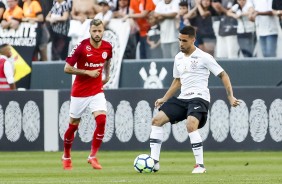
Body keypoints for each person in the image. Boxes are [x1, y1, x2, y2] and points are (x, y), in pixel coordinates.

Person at [149, 26, 240, 174]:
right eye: (179, 40)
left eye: (184, 41)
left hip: (199, 98)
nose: (181, 44)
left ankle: (200, 166)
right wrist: (164, 98)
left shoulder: (204, 57)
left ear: (193, 40)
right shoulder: (178, 58)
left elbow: (223, 75)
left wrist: (230, 96)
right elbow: (177, 81)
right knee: (156, 120)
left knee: (191, 124)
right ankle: (154, 162)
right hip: (183, 98)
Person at [62, 19, 112, 170]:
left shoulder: (107, 47)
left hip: (96, 90)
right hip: (80, 92)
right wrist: (87, 72)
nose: (97, 34)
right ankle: (66, 155)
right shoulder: (82, 46)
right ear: (90, 31)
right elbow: (67, 68)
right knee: (73, 126)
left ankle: (93, 156)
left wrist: (107, 75)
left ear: (103, 31)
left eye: (100, 31)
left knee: (102, 121)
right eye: (94, 31)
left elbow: (108, 60)